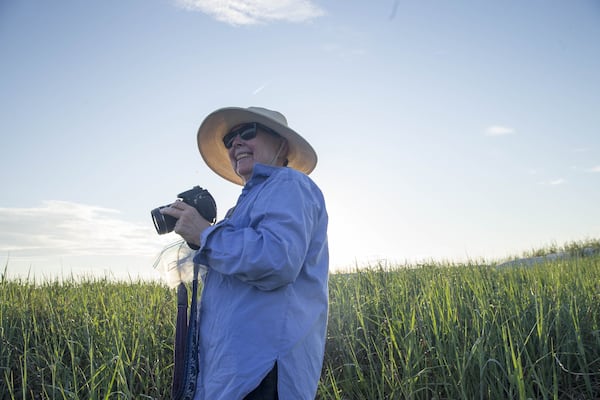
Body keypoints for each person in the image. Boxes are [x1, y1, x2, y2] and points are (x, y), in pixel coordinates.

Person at [161, 106, 329, 400]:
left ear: (282, 144)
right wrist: (198, 239)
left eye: (247, 132)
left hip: (263, 372)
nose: (236, 142)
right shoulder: (238, 210)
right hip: (234, 373)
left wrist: (205, 234)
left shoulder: (289, 184)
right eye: (229, 139)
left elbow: (277, 260)